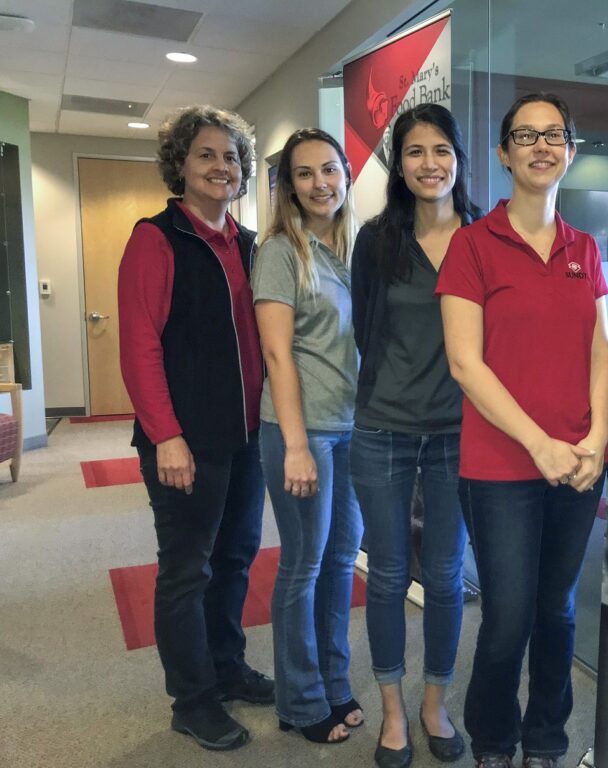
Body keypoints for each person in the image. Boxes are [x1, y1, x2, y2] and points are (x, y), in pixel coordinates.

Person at [437, 92, 608, 768]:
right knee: (508, 620)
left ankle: (545, 740)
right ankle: (493, 738)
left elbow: (598, 347)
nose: (542, 146)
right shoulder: (474, 246)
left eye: (555, 136)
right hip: (501, 468)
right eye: (526, 135)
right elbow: (464, 362)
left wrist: (596, 436)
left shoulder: (585, 248)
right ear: (505, 153)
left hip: (575, 460)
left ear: (569, 151)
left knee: (559, 612)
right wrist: (537, 443)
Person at [118, 105, 272, 751]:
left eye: (231, 157)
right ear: (180, 165)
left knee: (236, 559)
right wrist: (167, 435)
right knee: (187, 570)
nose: (221, 167)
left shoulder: (247, 243)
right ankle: (192, 697)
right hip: (186, 440)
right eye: (206, 154)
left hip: (246, 438)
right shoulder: (156, 239)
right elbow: (139, 346)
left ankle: (226, 666)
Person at [350, 103, 482, 768]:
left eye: (440, 150)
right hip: (383, 428)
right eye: (414, 152)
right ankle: (393, 712)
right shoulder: (375, 240)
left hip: (459, 433)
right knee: (388, 575)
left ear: (459, 157)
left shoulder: (486, 236)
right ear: (398, 165)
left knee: (446, 574)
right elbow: (364, 330)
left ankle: (436, 702)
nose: (429, 164)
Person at [251, 128, 363, 744]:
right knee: (303, 565)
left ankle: (335, 681)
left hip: (350, 430)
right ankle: (298, 701)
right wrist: (295, 443)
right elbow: (277, 353)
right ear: (288, 186)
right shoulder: (279, 251)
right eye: (304, 173)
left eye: (329, 170)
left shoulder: (347, 248)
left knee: (342, 562)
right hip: (303, 433)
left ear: (346, 174)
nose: (320, 183)